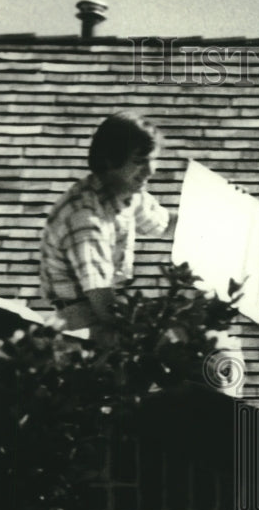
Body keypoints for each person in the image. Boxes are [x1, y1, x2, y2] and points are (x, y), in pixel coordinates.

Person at [40, 112, 177, 342]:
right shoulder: (84, 217)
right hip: (80, 321)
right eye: (139, 161)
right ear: (110, 161)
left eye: (153, 159)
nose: (150, 170)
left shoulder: (127, 193)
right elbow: (103, 302)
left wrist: (224, 217)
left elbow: (165, 225)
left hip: (107, 304)